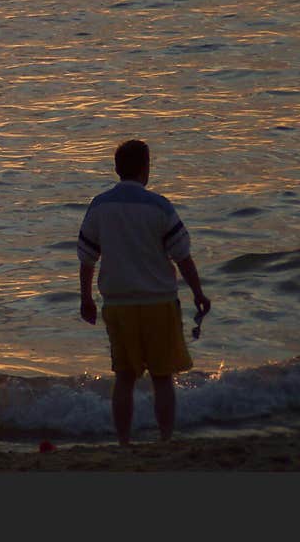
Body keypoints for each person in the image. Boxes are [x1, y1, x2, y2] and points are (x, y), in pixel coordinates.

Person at [77, 139, 211, 445]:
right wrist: (198, 294)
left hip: (118, 303)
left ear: (117, 169)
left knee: (124, 378)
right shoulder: (159, 206)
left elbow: (87, 257)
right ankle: (165, 438)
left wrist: (85, 298)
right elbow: (182, 256)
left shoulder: (100, 206)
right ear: (144, 168)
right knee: (162, 378)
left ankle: (123, 441)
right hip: (158, 301)